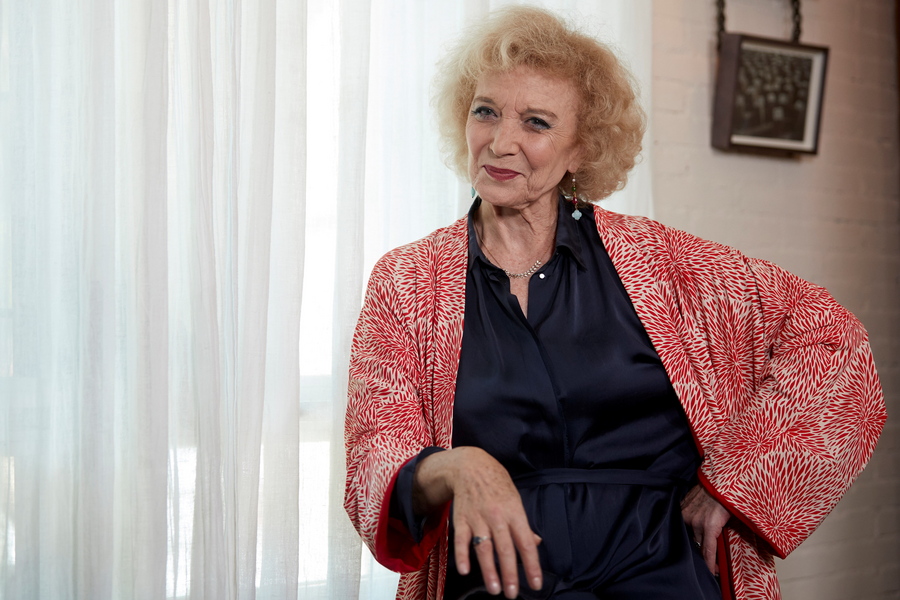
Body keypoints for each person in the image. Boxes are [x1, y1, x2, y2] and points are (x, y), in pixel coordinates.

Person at [344, 6, 885, 600]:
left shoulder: (665, 265)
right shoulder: (407, 282)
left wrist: (738, 485)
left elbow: (832, 340)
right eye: (486, 111)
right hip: (495, 585)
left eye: (537, 123)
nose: (501, 141)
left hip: (663, 575)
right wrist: (460, 466)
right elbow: (376, 453)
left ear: (581, 149)